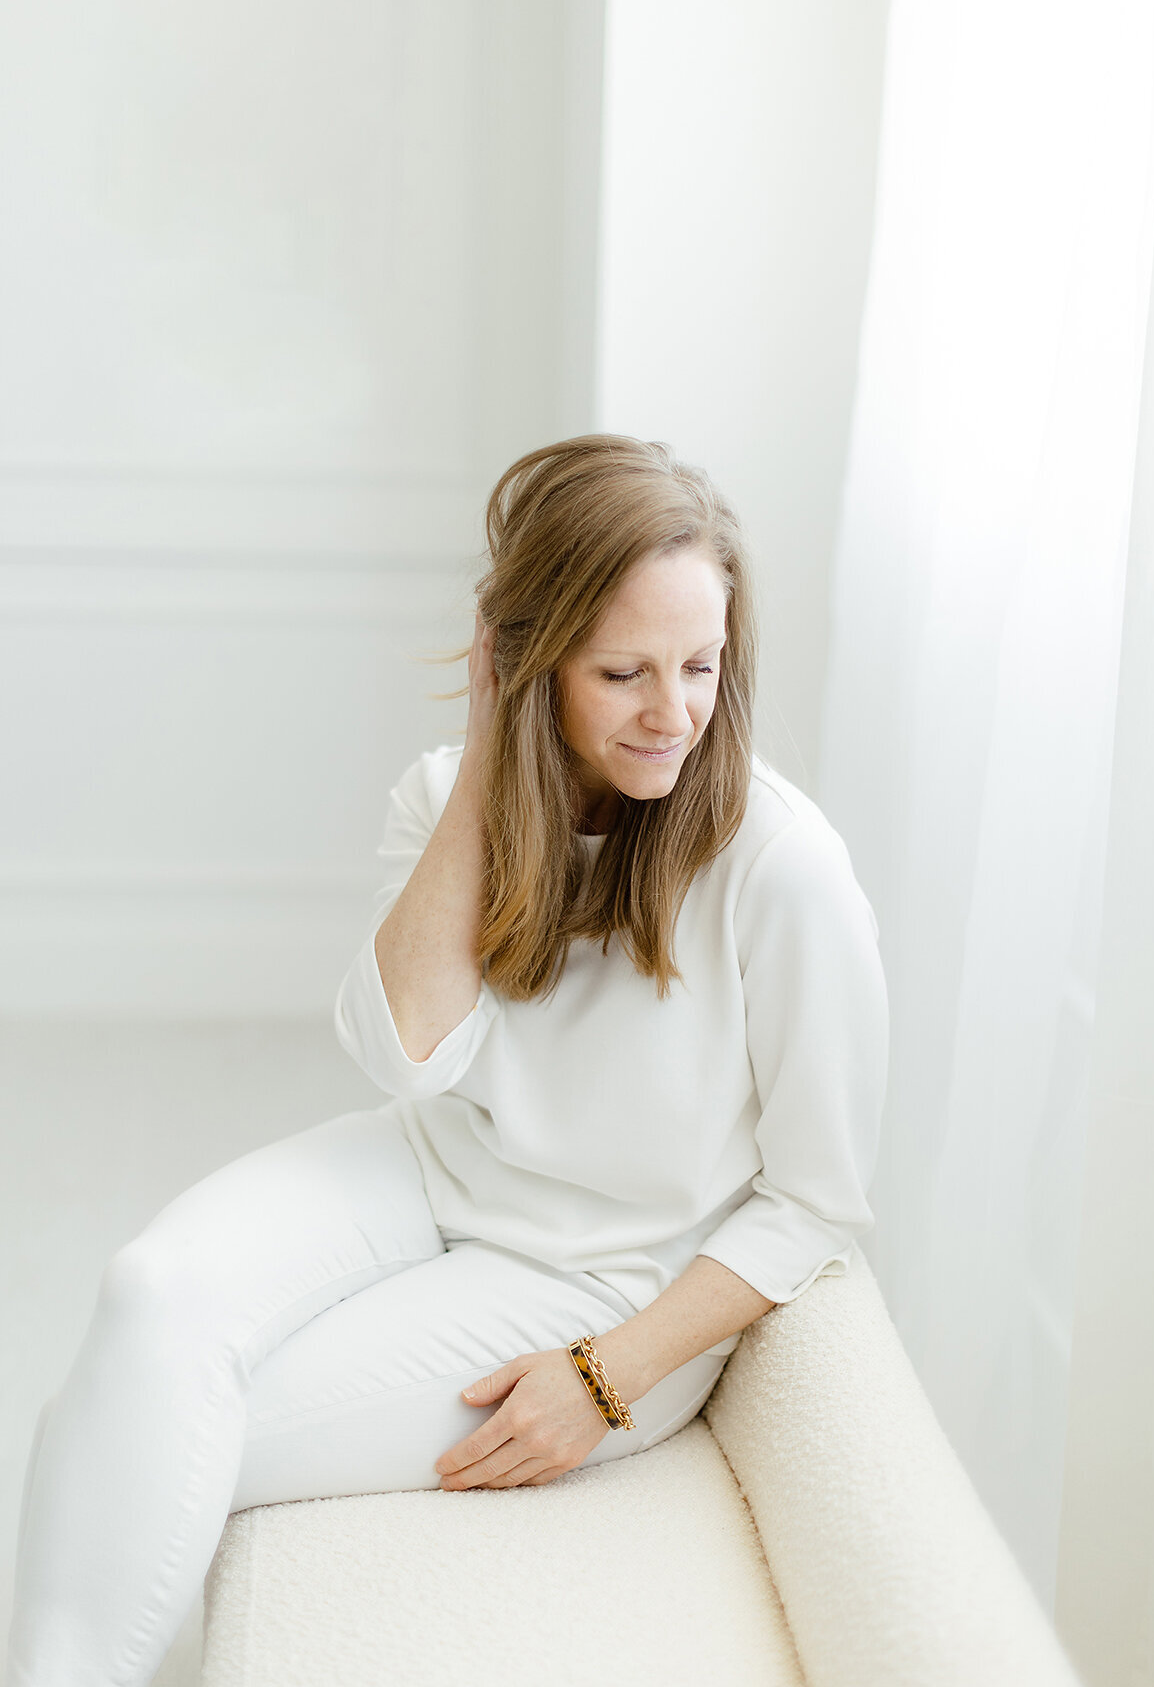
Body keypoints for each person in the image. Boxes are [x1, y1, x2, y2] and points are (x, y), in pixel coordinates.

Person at [4, 433, 889, 1687]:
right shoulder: (447, 795)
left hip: (603, 1271)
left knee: (127, 1434)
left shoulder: (783, 868)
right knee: (150, 1296)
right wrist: (491, 746)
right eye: (622, 671)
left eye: (701, 665)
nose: (674, 714)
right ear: (533, 664)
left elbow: (820, 1201)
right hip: (433, 1167)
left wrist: (608, 1375)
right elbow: (407, 1057)